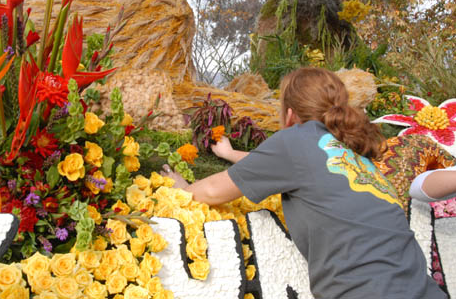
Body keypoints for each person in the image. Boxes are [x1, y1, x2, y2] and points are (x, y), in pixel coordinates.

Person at [162, 67, 447, 298]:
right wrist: (230, 153)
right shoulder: (353, 155)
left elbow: (212, 191)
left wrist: (182, 189)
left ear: (289, 114)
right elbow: (290, 166)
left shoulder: (296, 140)